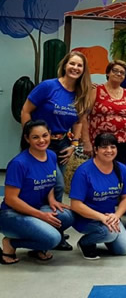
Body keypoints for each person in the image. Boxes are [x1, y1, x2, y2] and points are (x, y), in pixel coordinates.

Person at [21, 51, 93, 202]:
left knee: (55, 188)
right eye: (72, 63)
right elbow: (26, 111)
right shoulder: (48, 86)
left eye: (79, 65)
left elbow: (78, 121)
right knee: (52, 184)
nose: (75, 67)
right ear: (65, 65)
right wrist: (30, 138)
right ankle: (29, 215)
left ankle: (54, 219)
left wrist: (74, 144)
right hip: (40, 143)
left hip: (62, 144)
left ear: (83, 70)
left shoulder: (82, 93)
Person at [0, 120, 74, 264]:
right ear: (27, 139)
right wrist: (41, 215)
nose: (42, 140)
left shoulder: (51, 155)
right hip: (11, 214)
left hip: (36, 208)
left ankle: (37, 244)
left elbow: (49, 178)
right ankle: (11, 243)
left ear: (50, 135)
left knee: (68, 216)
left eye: (45, 135)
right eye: (35, 137)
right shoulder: (19, 163)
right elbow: (10, 199)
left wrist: (52, 199)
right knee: (53, 239)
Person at [69, 133, 126, 260]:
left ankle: (105, 233)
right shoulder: (84, 171)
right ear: (96, 149)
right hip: (86, 218)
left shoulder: (121, 169)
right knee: (109, 233)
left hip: (110, 216)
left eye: (113, 147)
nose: (109, 151)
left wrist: (117, 216)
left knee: (124, 249)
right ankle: (85, 243)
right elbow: (75, 205)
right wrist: (101, 218)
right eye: (104, 147)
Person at [82, 60, 126, 163]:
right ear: (108, 73)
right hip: (101, 142)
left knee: (120, 174)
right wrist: (86, 142)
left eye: (122, 72)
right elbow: (84, 116)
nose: (118, 74)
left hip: (125, 143)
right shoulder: (96, 90)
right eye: (115, 70)